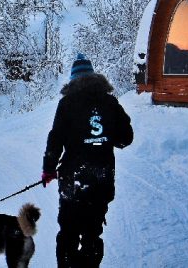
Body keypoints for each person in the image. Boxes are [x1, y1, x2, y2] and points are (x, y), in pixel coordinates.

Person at [42, 54, 133, 267]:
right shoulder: (110, 102)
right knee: (93, 233)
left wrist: (48, 169)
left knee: (69, 231)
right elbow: (126, 137)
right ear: (93, 77)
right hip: (102, 179)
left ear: (73, 79)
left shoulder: (67, 104)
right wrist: (107, 137)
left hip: (72, 179)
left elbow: (55, 139)